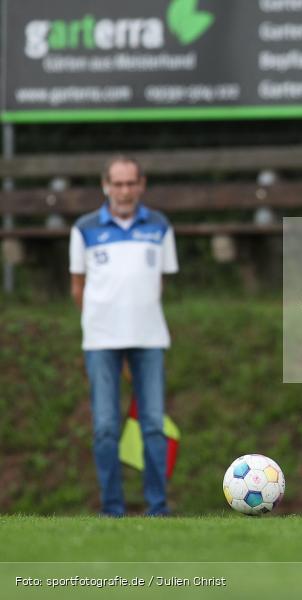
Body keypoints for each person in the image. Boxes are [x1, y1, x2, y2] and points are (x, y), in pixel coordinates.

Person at [69, 156, 178, 517]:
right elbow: (78, 287)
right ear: (106, 186)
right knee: (104, 426)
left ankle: (158, 508)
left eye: (131, 183)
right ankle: (112, 509)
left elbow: (158, 283)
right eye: (118, 183)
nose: (125, 191)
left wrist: (136, 324)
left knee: (153, 426)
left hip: (150, 340)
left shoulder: (160, 226)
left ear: (141, 185)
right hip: (101, 342)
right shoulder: (83, 229)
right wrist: (102, 325)